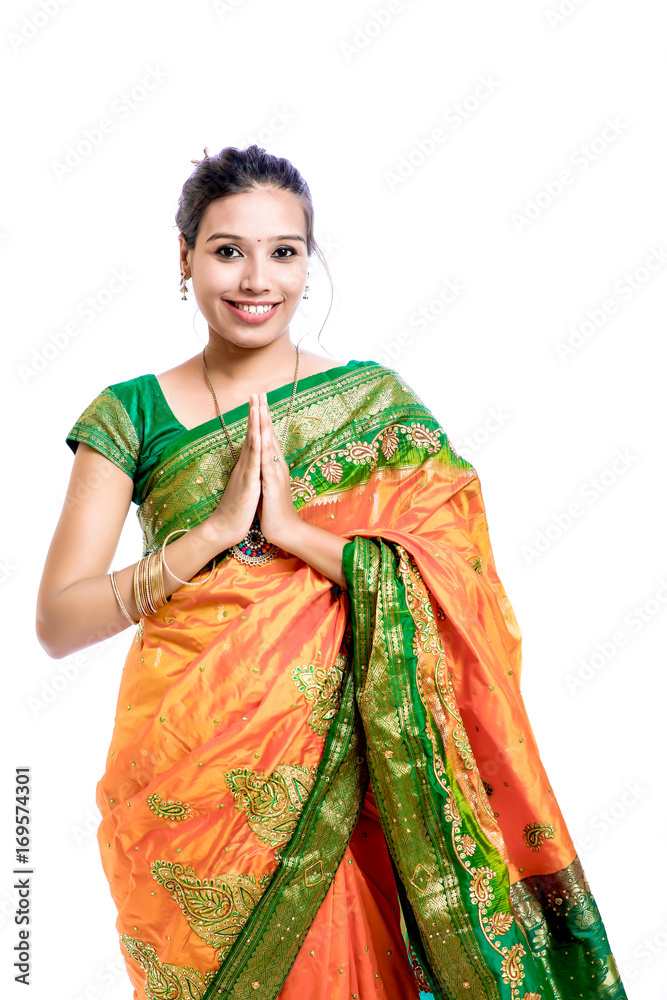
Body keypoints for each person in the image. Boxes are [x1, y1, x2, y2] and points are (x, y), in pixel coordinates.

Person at [36, 144, 627, 1000]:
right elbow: (59, 621)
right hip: (189, 780)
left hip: (355, 781)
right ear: (184, 258)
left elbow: (454, 581)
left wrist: (292, 530)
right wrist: (210, 533)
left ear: (307, 263)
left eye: (283, 251)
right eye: (227, 249)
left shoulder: (373, 403)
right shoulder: (128, 415)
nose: (256, 278)